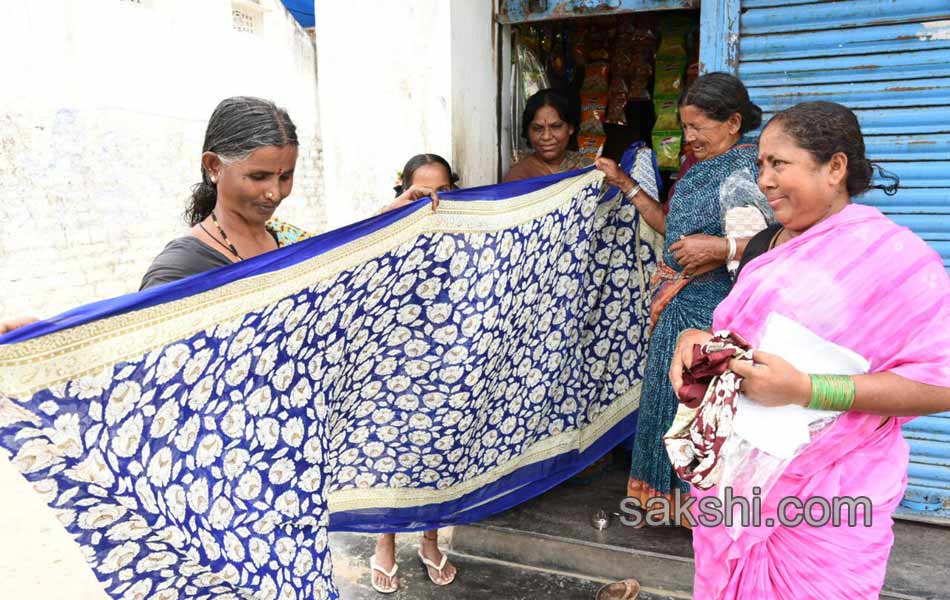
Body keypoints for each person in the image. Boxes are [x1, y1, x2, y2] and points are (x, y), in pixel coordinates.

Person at [668, 101, 950, 599]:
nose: (765, 181)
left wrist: (806, 388)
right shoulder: (765, 245)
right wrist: (691, 345)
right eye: (761, 165)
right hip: (738, 485)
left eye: (779, 164)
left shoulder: (897, 261)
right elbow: (737, 339)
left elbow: (939, 385)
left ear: (835, 168)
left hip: (834, 497)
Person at [606, 72, 769, 525]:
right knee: (668, 406)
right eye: (685, 127)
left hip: (712, 311)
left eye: (699, 126)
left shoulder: (747, 173)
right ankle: (668, 509)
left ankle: (703, 516)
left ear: (734, 122)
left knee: (699, 412)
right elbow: (670, 230)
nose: (690, 137)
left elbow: (775, 247)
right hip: (677, 307)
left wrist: (723, 250)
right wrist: (627, 186)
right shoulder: (698, 172)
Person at [370, 153, 458, 594]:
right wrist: (399, 209)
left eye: (442, 190)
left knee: (439, 452)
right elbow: (356, 253)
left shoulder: (469, 230)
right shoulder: (387, 230)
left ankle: (429, 541)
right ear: (403, 189)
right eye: (422, 190)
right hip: (396, 363)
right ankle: (384, 544)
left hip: (450, 359)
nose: (432, 199)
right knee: (393, 455)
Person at [140, 96, 309, 290]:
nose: (275, 193)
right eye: (259, 176)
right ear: (213, 166)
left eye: (285, 177)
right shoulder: (178, 272)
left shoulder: (293, 242)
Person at [503, 88, 591, 182]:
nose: (546, 137)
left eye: (556, 126)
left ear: (570, 128)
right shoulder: (519, 177)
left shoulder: (587, 168)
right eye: (537, 128)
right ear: (528, 131)